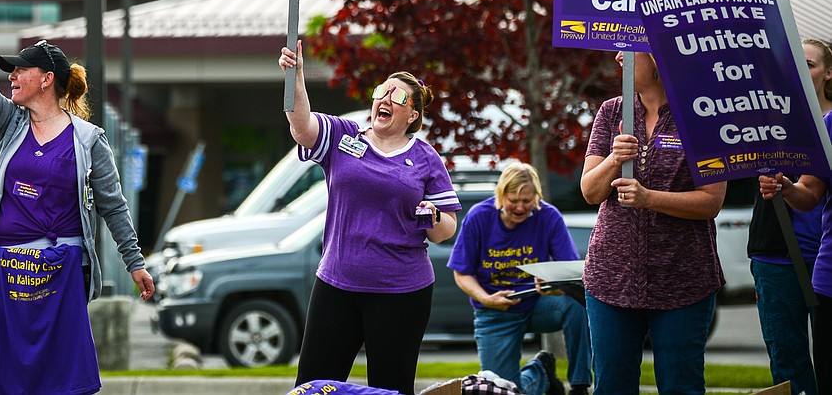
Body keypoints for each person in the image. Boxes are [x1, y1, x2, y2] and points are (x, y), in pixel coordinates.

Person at [0, 3, 154, 395]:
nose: (11, 76)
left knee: (56, 382)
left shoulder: (88, 139)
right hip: (0, 273)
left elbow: (113, 206)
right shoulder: (9, 123)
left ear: (47, 79)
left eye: (20, 69)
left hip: (60, 278)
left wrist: (135, 262)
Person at [278, 40, 461, 395]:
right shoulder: (344, 136)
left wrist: (433, 215)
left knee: (390, 389)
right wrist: (295, 77)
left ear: (413, 116)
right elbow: (302, 128)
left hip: (401, 292)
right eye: (382, 92)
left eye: (399, 97)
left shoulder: (425, 158)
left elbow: (445, 230)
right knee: (312, 387)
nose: (386, 99)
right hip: (336, 284)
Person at [580, 50, 726, 395]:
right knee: (612, 386)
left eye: (630, 49)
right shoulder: (612, 111)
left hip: (682, 278)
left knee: (681, 386)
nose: (618, 56)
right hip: (611, 279)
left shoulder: (702, 114)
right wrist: (615, 158)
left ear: (662, 57)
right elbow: (590, 191)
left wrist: (649, 198)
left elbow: (711, 202)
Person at [448, 162, 591, 395]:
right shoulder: (478, 217)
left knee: (576, 304)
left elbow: (569, 271)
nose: (521, 207)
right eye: (514, 200)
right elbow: (462, 273)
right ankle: (541, 372)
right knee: (504, 391)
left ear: (536, 196)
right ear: (501, 195)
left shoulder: (548, 216)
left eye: (527, 201)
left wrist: (553, 286)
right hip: (495, 312)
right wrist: (487, 299)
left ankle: (579, 385)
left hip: (539, 304)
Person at [747, 37, 832, 395]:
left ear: (828, 72)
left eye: (809, 63)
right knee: (788, 361)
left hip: (821, 256)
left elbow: (812, 192)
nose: (800, 66)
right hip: (779, 256)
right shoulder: (767, 118)